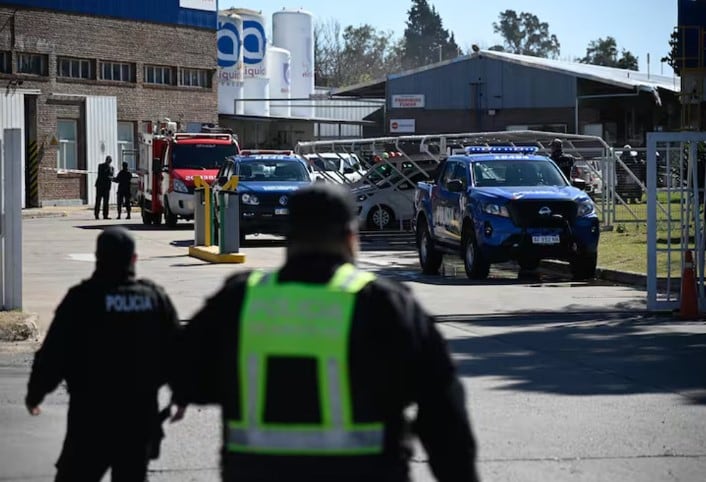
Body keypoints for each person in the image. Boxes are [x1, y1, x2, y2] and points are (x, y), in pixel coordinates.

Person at [178, 183, 480, 482]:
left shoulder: (239, 300)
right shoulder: (384, 306)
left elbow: (187, 377)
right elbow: (444, 414)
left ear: (289, 237)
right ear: (351, 237)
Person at [25, 227, 185, 482]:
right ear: (134, 259)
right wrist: (182, 395)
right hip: (139, 420)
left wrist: (36, 393)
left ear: (98, 258)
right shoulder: (154, 299)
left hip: (90, 419)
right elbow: (178, 353)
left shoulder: (82, 299)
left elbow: (54, 352)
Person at [95, 155, 114, 220]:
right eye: (108, 161)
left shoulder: (112, 168)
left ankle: (105, 215)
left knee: (106, 202)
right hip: (100, 186)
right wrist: (108, 169)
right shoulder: (101, 166)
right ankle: (96, 214)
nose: (109, 162)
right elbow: (102, 174)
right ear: (106, 160)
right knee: (98, 201)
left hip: (107, 187)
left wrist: (112, 178)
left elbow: (111, 176)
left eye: (110, 161)